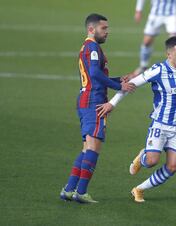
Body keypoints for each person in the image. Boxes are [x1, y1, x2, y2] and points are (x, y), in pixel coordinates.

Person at [96, 36, 176, 202]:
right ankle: (143, 157)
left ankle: (139, 189)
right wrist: (112, 103)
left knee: (172, 167)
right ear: (168, 55)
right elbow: (130, 85)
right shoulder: (158, 70)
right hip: (161, 125)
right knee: (151, 161)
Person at [59, 13, 136, 204]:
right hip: (94, 102)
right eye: (104, 28)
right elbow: (94, 73)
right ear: (91, 29)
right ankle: (81, 192)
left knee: (86, 148)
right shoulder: (92, 47)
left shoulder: (89, 47)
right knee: (93, 148)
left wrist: (120, 79)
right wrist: (119, 87)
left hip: (86, 99)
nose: (107, 32)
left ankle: (69, 189)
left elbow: (96, 75)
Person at [132, 0, 176, 75]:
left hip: (173, 15)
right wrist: (138, 10)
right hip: (155, 14)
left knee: (175, 44)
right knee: (146, 41)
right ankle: (143, 66)